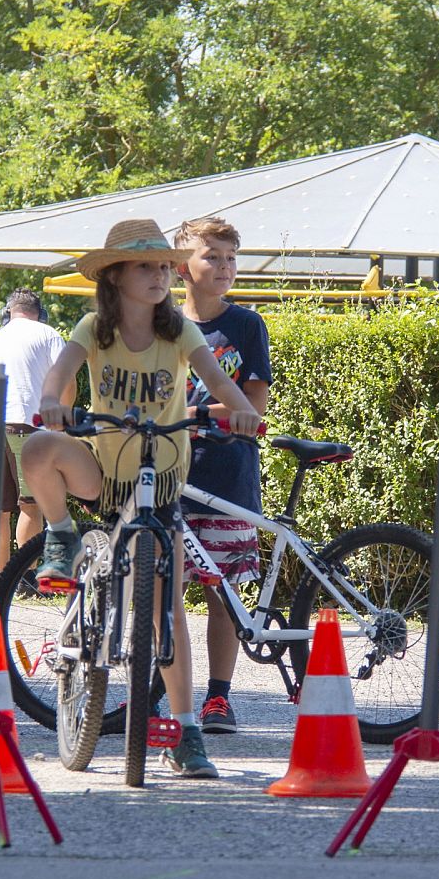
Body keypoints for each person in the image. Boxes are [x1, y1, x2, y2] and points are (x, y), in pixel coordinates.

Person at [21, 219, 262, 780]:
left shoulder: (179, 331)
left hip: (163, 481)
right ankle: (60, 533)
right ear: (115, 277)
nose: (159, 275)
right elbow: (57, 376)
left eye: (162, 266)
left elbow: (217, 380)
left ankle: (186, 731)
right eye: (145, 266)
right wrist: (54, 402)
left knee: (167, 607)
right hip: (109, 476)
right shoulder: (93, 328)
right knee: (38, 447)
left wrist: (239, 409)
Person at [173, 218, 271, 736]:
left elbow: (255, 400)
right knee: (164, 588)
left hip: (228, 472)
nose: (225, 267)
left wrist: (203, 415)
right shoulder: (164, 324)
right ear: (180, 266)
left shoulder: (246, 325)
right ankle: (165, 694)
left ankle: (218, 697)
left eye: (231, 258)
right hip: (170, 471)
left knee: (221, 592)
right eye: (212, 256)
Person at [0, 288, 66, 572]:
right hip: (27, 421)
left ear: (8, 313)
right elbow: (67, 379)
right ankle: (24, 580)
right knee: (31, 503)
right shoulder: (48, 334)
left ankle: (1, 581)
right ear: (41, 314)